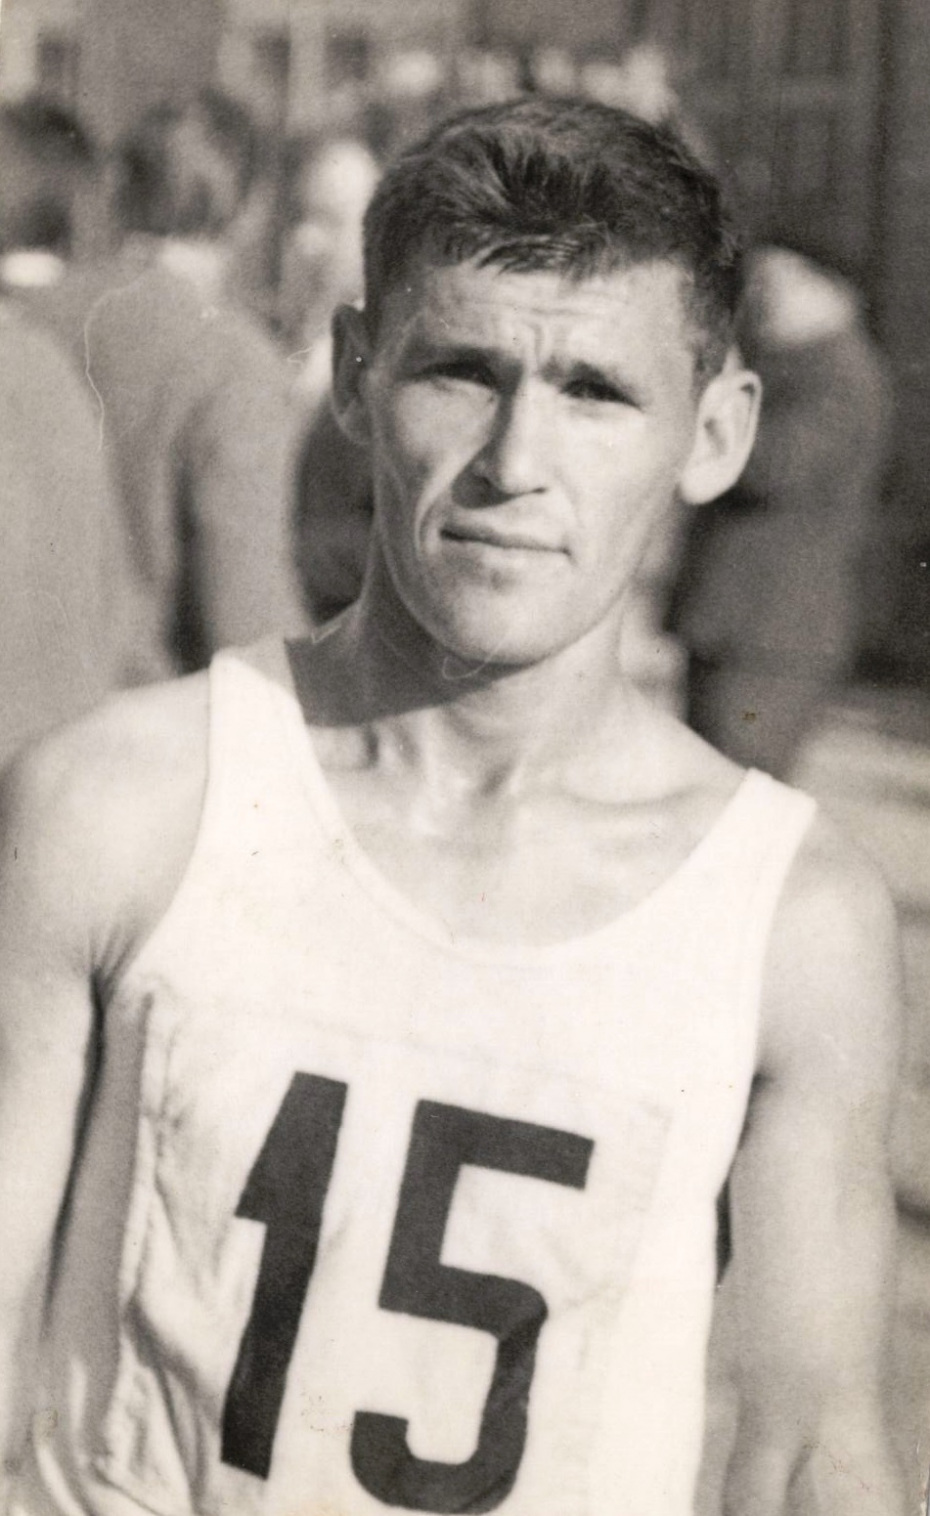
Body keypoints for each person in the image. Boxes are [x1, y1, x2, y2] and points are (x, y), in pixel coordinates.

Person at [0, 98, 903, 1516]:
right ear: (357, 376)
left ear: (716, 431)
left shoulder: (791, 919)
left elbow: (807, 1448)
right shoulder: (117, 804)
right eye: (462, 372)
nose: (514, 462)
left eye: (595, 392)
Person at [15, 90, 308, 677]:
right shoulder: (233, 359)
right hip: (150, 709)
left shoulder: (26, 321)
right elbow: (247, 617)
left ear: (118, 189)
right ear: (252, 210)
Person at [667, 245, 894, 778]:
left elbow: (769, 467)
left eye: (781, 283)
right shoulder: (790, 368)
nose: (762, 298)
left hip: (772, 632)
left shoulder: (841, 377)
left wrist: (712, 398)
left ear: (836, 293)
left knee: (738, 790)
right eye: (758, 283)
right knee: (704, 783)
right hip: (739, 622)